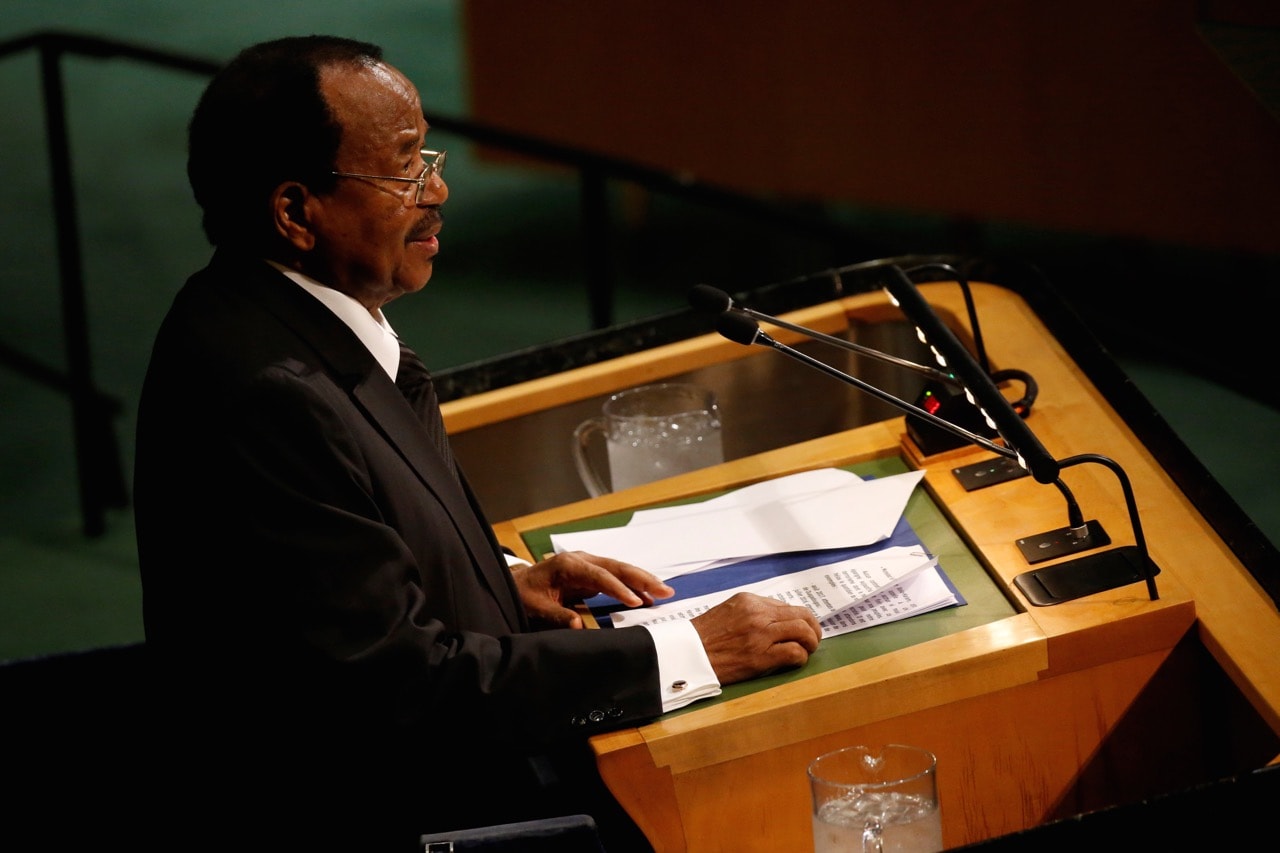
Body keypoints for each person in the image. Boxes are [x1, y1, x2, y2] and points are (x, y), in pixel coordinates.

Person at [133, 35, 822, 851]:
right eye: (403, 170)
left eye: (428, 155)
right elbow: (399, 689)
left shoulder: (277, 316)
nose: (440, 189)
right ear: (295, 212)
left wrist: (499, 582)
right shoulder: (268, 392)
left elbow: (336, 584)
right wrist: (683, 652)